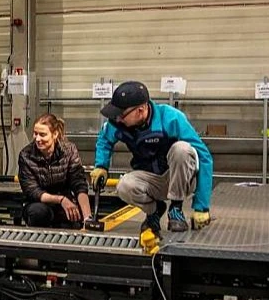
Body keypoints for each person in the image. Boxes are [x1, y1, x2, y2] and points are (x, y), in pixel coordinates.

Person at [90, 81, 213, 235]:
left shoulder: (171, 118)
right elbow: (104, 139)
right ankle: (154, 211)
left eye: (122, 114)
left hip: (178, 178)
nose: (118, 119)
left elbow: (204, 156)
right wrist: (101, 165)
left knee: (181, 149)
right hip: (151, 180)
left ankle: (176, 208)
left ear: (140, 110)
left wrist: (201, 206)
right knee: (123, 186)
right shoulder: (118, 123)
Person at [18, 114, 92, 228]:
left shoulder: (69, 150)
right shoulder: (26, 155)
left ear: (55, 134)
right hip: (39, 204)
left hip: (65, 204)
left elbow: (79, 184)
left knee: (73, 221)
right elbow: (33, 191)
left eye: (42, 135)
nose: (37, 139)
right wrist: (61, 199)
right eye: (35, 133)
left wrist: (87, 218)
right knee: (38, 212)